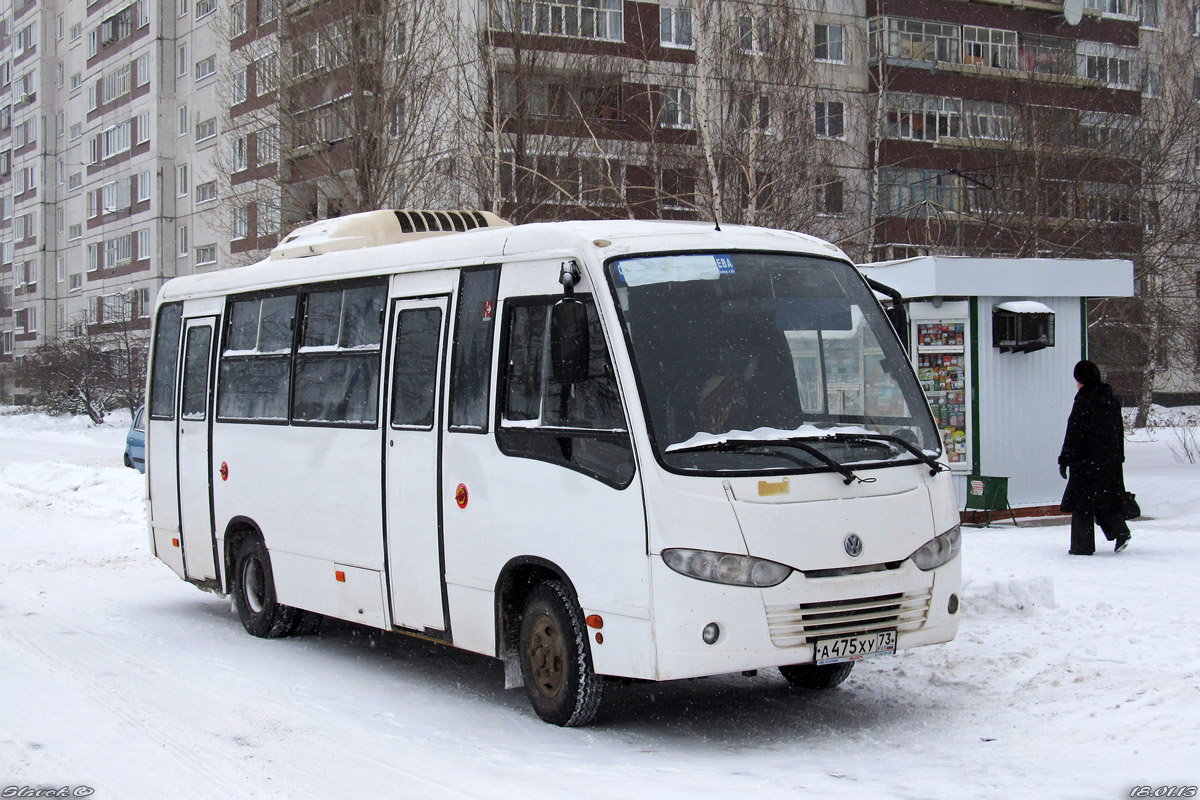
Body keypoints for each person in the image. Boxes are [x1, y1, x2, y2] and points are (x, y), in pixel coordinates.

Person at [1058, 359, 1131, 555]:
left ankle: (1082, 545)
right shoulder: (1110, 400)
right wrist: (1118, 456)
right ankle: (1119, 530)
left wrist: (1065, 458)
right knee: (1104, 498)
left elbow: (1074, 432)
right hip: (1109, 461)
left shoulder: (1084, 401)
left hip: (1085, 462)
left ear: (1081, 380)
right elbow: (1118, 431)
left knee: (1083, 503)